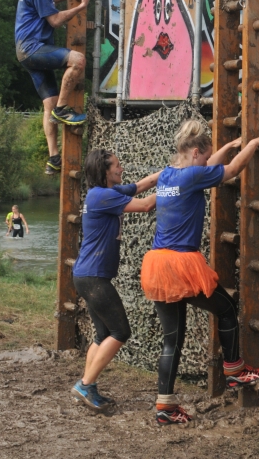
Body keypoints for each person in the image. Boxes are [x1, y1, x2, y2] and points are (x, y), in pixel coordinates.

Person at [140, 120, 259, 425]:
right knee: (226, 308)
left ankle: (165, 406)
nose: (208, 159)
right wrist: (253, 144)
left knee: (172, 340)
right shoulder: (193, 176)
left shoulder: (169, 174)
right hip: (181, 264)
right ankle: (235, 370)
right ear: (196, 152)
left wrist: (228, 146)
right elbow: (231, 170)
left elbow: (208, 165)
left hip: (157, 263)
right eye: (207, 154)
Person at [70, 149, 161, 411]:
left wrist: (171, 173)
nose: (121, 169)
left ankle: (87, 387)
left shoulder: (106, 192)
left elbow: (142, 186)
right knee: (121, 332)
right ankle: (85, 385)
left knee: (102, 335)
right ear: (105, 171)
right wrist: (178, 185)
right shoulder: (102, 196)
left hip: (87, 275)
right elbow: (146, 205)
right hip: (93, 277)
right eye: (117, 166)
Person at [15, 0, 92, 175]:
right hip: (33, 48)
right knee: (78, 60)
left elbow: (50, 0)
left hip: (26, 52)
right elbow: (56, 20)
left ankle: (53, 158)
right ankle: (62, 110)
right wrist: (82, 6)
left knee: (48, 103)